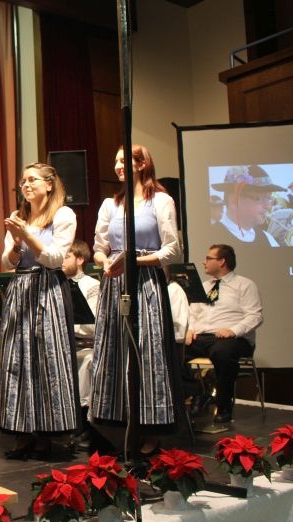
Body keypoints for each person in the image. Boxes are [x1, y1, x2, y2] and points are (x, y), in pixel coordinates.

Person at [90, 144, 182, 455]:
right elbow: (99, 246)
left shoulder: (161, 200)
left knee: (147, 350)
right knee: (114, 350)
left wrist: (134, 261)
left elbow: (173, 249)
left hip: (146, 282)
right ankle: (118, 426)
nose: (117, 166)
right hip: (114, 282)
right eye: (115, 161)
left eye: (124, 160)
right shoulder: (110, 205)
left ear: (142, 164)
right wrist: (105, 261)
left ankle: (151, 429)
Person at [0, 163, 80, 460]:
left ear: (49, 184)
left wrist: (27, 236)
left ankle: (46, 434)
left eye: (32, 180)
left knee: (47, 360)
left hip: (47, 289)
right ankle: (22, 431)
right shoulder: (19, 216)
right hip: (21, 288)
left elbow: (55, 259)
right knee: (17, 360)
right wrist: (16, 243)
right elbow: (7, 262)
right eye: (23, 181)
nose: (26, 185)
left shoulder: (63, 215)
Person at [185, 244, 263, 424]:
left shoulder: (244, 285)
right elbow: (192, 313)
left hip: (234, 339)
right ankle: (199, 390)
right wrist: (190, 329)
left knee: (222, 352)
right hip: (202, 337)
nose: (204, 262)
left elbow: (255, 316)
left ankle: (224, 406)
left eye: (208, 258)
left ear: (222, 262)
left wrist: (233, 330)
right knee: (172, 349)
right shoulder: (204, 286)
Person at [61, 239, 100, 418]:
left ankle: (82, 419)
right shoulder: (57, 285)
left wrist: (64, 326)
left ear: (80, 260)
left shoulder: (92, 286)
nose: (61, 261)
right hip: (63, 344)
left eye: (67, 257)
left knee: (85, 361)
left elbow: (93, 327)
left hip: (84, 345)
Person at [211, 165, 284, 247]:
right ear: (234, 201)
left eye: (268, 198)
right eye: (259, 198)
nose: (268, 206)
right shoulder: (210, 238)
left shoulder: (267, 238)